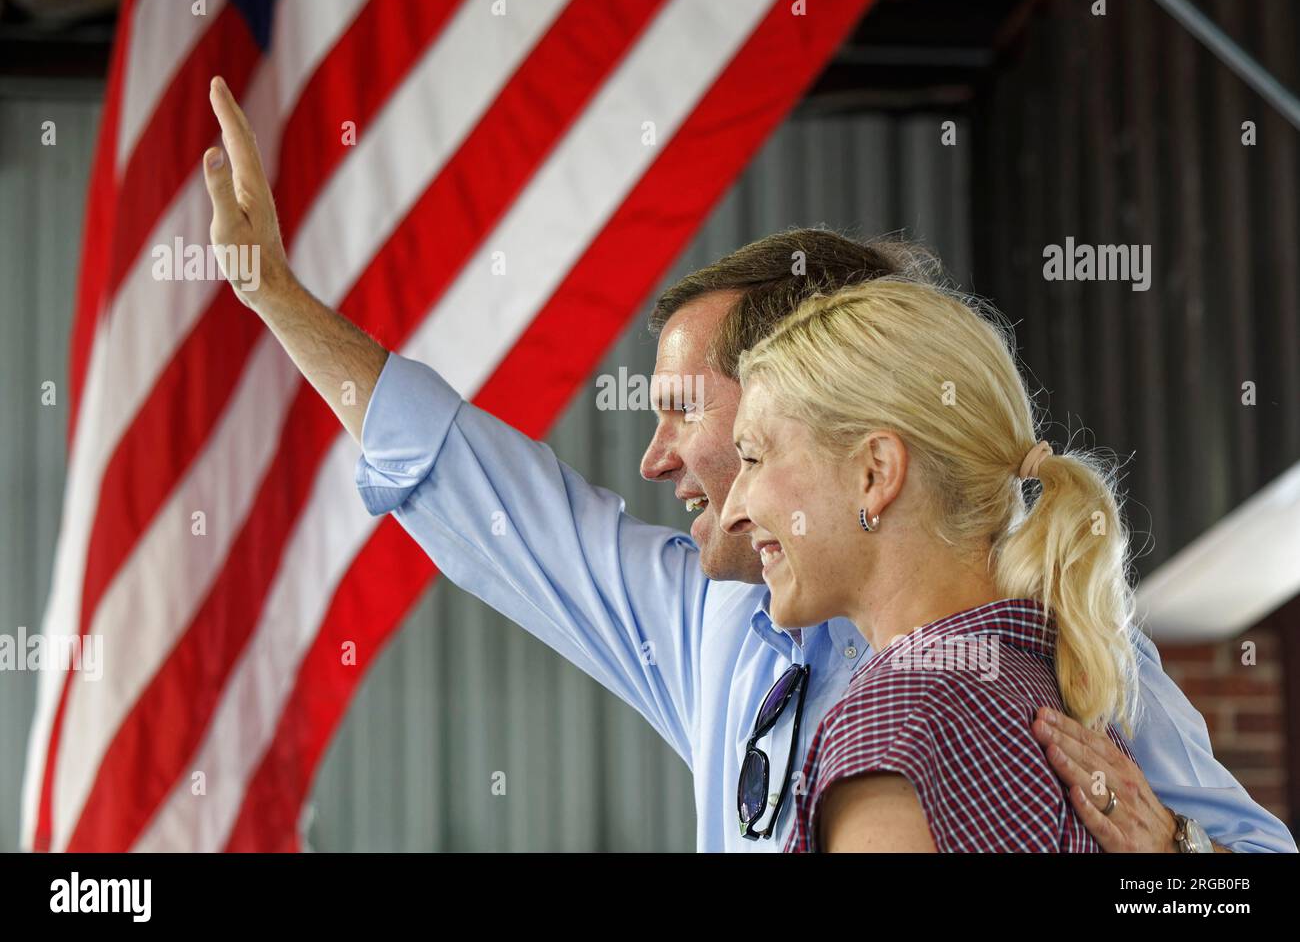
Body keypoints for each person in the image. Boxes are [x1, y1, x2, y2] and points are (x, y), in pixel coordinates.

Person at [200, 74, 1295, 852]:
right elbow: (475, 489)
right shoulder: (715, 624)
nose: (653, 452)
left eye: (696, 413)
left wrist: (1172, 861)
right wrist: (282, 307)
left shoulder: (1069, 649)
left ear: (846, 435)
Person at [720, 275, 1142, 850]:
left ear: (875, 473)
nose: (733, 512)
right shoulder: (1057, 690)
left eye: (753, 457)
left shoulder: (892, 727)